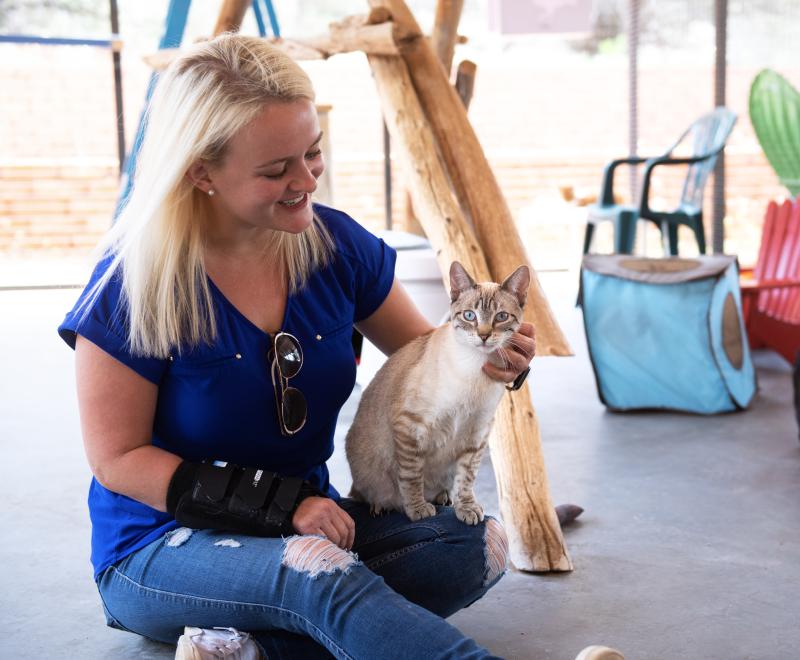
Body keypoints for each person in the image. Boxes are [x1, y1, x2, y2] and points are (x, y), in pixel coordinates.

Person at [59, 34, 620, 660]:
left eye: (313, 154)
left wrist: (494, 362)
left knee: (471, 547)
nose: (305, 181)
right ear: (200, 172)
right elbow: (118, 460)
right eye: (276, 170)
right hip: (162, 547)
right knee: (316, 570)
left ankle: (247, 652)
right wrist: (287, 509)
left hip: (313, 523)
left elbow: (428, 362)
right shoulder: (131, 282)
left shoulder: (337, 246)